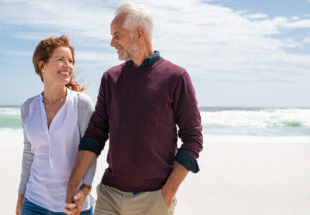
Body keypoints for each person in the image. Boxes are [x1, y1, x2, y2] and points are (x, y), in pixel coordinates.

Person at [65, 2, 203, 215]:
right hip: (109, 195)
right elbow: (95, 135)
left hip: (154, 199)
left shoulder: (176, 77)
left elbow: (193, 139)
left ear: (139, 34)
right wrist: (73, 184)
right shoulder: (110, 78)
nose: (112, 42)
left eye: (117, 35)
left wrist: (168, 191)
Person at [15, 35, 97, 215]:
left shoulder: (82, 103)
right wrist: (21, 196)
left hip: (73, 204)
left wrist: (84, 191)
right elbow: (29, 153)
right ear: (42, 65)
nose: (68, 65)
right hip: (34, 201)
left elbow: (90, 152)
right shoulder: (28, 107)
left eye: (71, 61)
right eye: (61, 59)